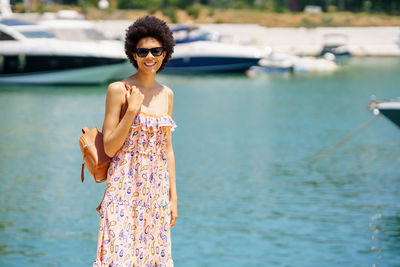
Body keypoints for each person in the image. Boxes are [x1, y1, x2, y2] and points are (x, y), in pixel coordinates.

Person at [93, 16, 177, 267]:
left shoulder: (168, 94)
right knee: (118, 257)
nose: (149, 56)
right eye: (143, 51)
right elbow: (109, 146)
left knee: (152, 257)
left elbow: (168, 150)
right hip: (123, 185)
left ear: (165, 53)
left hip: (156, 189)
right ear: (133, 54)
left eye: (156, 50)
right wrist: (132, 111)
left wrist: (174, 197)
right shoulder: (118, 90)